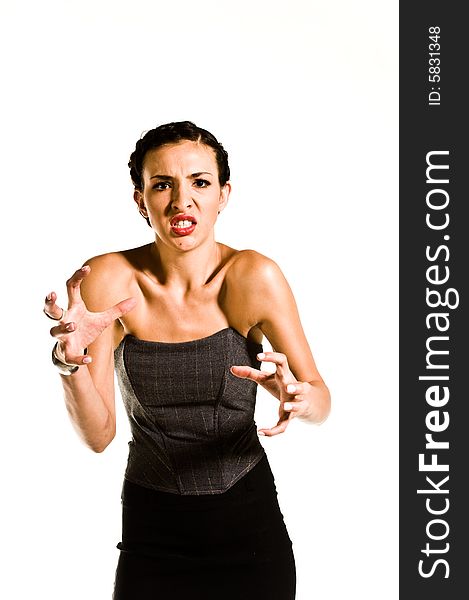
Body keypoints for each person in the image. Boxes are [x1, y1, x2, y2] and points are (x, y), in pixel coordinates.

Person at [43, 121, 331, 599]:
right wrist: (69, 361)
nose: (182, 201)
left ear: (223, 194)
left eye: (200, 182)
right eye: (162, 185)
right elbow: (98, 438)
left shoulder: (252, 276)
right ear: (141, 200)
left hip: (250, 531)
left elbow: (321, 398)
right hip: (151, 531)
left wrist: (299, 400)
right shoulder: (111, 281)